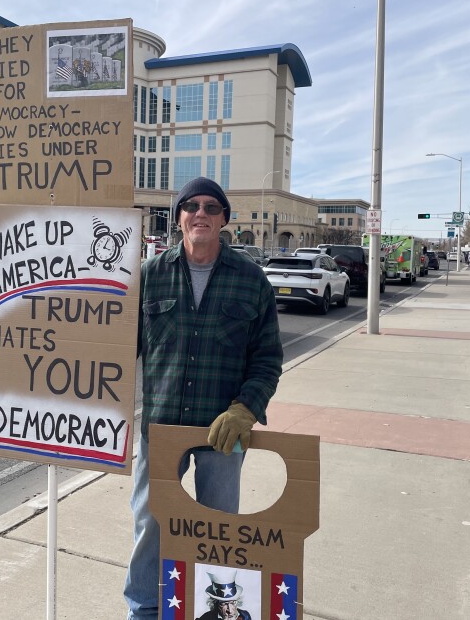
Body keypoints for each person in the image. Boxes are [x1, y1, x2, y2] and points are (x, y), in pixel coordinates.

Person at [124, 177, 282, 620]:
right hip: (162, 427)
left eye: (212, 207)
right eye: (191, 205)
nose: (201, 213)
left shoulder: (251, 280)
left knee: (218, 528)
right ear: (178, 217)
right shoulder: (149, 277)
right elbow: (117, 351)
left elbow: (268, 358)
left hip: (222, 433)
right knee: (150, 524)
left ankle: (214, 609)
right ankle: (145, 609)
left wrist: (246, 408)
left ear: (225, 219)